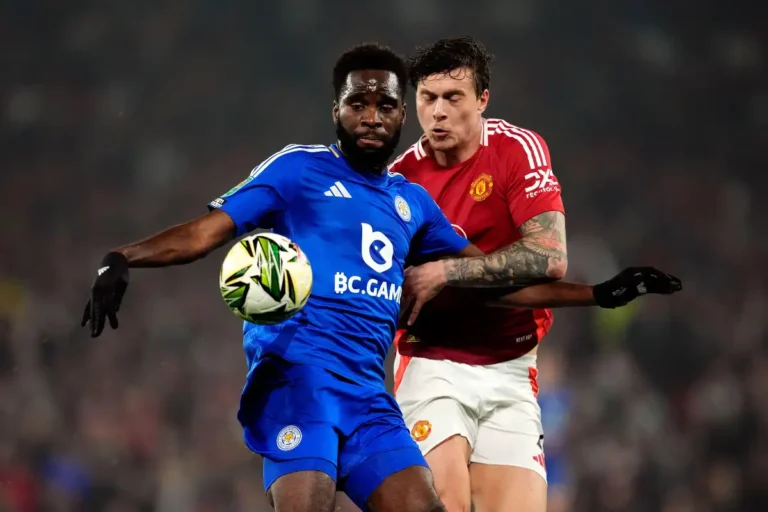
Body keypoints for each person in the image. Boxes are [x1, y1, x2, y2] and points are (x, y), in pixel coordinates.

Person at [81, 43, 678, 512]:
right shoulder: (297, 170)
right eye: (357, 104)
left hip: (369, 399)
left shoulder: (410, 202)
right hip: (298, 382)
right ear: (336, 111)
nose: (371, 117)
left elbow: (491, 281)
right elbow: (204, 234)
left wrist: (597, 294)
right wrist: (122, 257)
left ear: (400, 114)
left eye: (385, 105)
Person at [390, 37, 682, 512]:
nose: (438, 112)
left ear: (482, 99)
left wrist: (449, 271)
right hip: (433, 362)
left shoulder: (517, 150)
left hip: (512, 367)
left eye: (453, 97)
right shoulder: (399, 183)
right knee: (444, 502)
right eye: (428, 98)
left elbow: (549, 256)